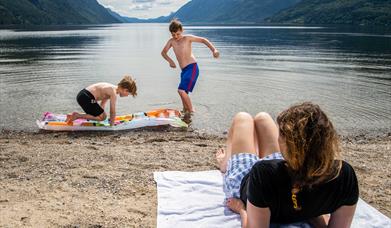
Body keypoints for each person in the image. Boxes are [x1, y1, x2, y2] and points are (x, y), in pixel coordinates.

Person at [216, 102, 359, 228]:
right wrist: (312, 214)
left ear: (291, 146)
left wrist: (242, 209)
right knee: (263, 117)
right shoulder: (344, 175)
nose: (279, 137)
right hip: (290, 166)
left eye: (281, 134)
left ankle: (224, 163)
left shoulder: (263, 173)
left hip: (246, 177)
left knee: (242, 117)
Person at [161, 19, 219, 114]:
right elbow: (163, 52)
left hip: (192, 68)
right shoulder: (171, 41)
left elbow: (203, 40)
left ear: (182, 30)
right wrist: (170, 61)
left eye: (178, 34)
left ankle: (192, 111)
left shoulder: (187, 38)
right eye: (173, 35)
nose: (176, 37)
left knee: (181, 90)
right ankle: (185, 112)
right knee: (184, 93)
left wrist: (214, 50)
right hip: (184, 71)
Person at [66, 76, 137, 126]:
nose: (127, 96)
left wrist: (99, 115)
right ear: (125, 90)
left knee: (101, 116)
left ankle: (71, 116)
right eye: (128, 94)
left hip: (82, 95)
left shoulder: (111, 88)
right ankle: (77, 116)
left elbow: (102, 105)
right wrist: (111, 126)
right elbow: (112, 112)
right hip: (86, 97)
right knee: (103, 117)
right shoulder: (113, 93)